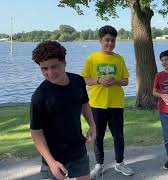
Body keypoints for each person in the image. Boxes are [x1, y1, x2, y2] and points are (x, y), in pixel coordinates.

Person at [30, 41, 96, 180]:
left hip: (78, 150)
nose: (50, 73)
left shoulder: (78, 81)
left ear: (64, 62)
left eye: (54, 66)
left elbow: (84, 102)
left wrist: (92, 125)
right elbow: (36, 133)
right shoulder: (40, 96)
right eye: (44, 68)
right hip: (54, 157)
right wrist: (51, 163)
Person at [81, 25, 134, 178]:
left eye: (113, 40)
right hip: (97, 104)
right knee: (98, 136)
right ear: (100, 40)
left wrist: (115, 80)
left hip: (116, 104)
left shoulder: (119, 58)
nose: (110, 43)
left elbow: (125, 81)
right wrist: (99, 80)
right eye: (107, 40)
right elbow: (84, 79)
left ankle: (119, 163)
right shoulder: (93, 58)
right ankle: (99, 165)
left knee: (119, 136)